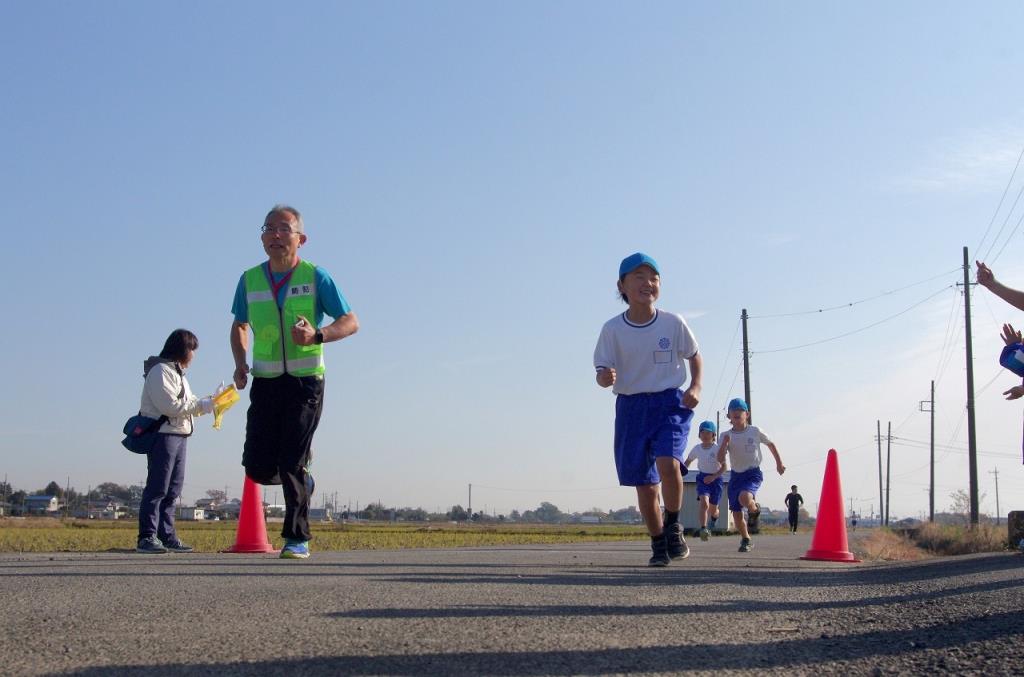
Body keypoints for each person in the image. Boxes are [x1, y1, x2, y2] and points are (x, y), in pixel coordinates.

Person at [230, 205, 359, 559]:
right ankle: (305, 477)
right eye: (268, 228)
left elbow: (350, 320)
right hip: (267, 381)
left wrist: (318, 335)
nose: (275, 234)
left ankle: (296, 538)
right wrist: (240, 364)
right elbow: (239, 325)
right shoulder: (249, 279)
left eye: (283, 228)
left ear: (300, 238)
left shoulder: (317, 277)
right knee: (256, 465)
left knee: (291, 461)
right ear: (261, 238)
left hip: (305, 382)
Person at [594, 252, 702, 567]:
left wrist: (695, 386)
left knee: (669, 463)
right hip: (631, 407)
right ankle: (657, 543)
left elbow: (695, 355)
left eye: (653, 278)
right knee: (645, 483)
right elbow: (601, 373)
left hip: (669, 402)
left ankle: (672, 525)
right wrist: (604, 377)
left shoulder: (672, 322)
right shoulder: (612, 330)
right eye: (639, 277)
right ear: (622, 286)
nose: (648, 283)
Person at [136, 329, 214, 554]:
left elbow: (188, 405)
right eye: (192, 349)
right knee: (158, 486)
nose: (194, 355)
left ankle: (166, 536)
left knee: (173, 489)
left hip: (179, 434)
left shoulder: (178, 373)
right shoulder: (160, 371)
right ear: (183, 349)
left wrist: (210, 402)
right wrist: (202, 406)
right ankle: (147, 536)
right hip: (163, 434)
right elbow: (169, 407)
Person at [716, 397, 785, 552]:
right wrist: (725, 443)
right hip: (735, 475)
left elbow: (771, 444)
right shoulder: (725, 435)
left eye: (740, 410)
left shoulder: (755, 431)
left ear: (747, 414)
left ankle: (755, 510)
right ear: (729, 416)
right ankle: (746, 539)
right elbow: (720, 459)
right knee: (736, 511)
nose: (736, 412)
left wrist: (779, 463)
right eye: (733, 411)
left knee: (745, 498)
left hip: (752, 473)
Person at [683, 420, 724, 542]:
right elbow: (688, 461)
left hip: (716, 480)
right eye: (703, 433)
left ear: (713, 435)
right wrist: (681, 471)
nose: (705, 435)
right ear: (699, 435)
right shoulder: (696, 449)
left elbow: (725, 467)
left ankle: (715, 517)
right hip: (702, 479)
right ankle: (703, 528)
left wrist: (714, 476)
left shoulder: (717, 449)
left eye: (708, 433)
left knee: (713, 509)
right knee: (704, 503)